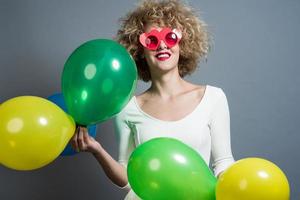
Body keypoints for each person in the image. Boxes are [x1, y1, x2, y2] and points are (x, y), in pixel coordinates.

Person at [71, 0, 235, 199]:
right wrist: (97, 150)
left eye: (170, 37)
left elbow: (224, 163)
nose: (162, 45)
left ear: (182, 43)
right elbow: (129, 179)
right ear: (140, 50)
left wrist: (231, 184)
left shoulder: (212, 98)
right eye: (152, 40)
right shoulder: (128, 108)